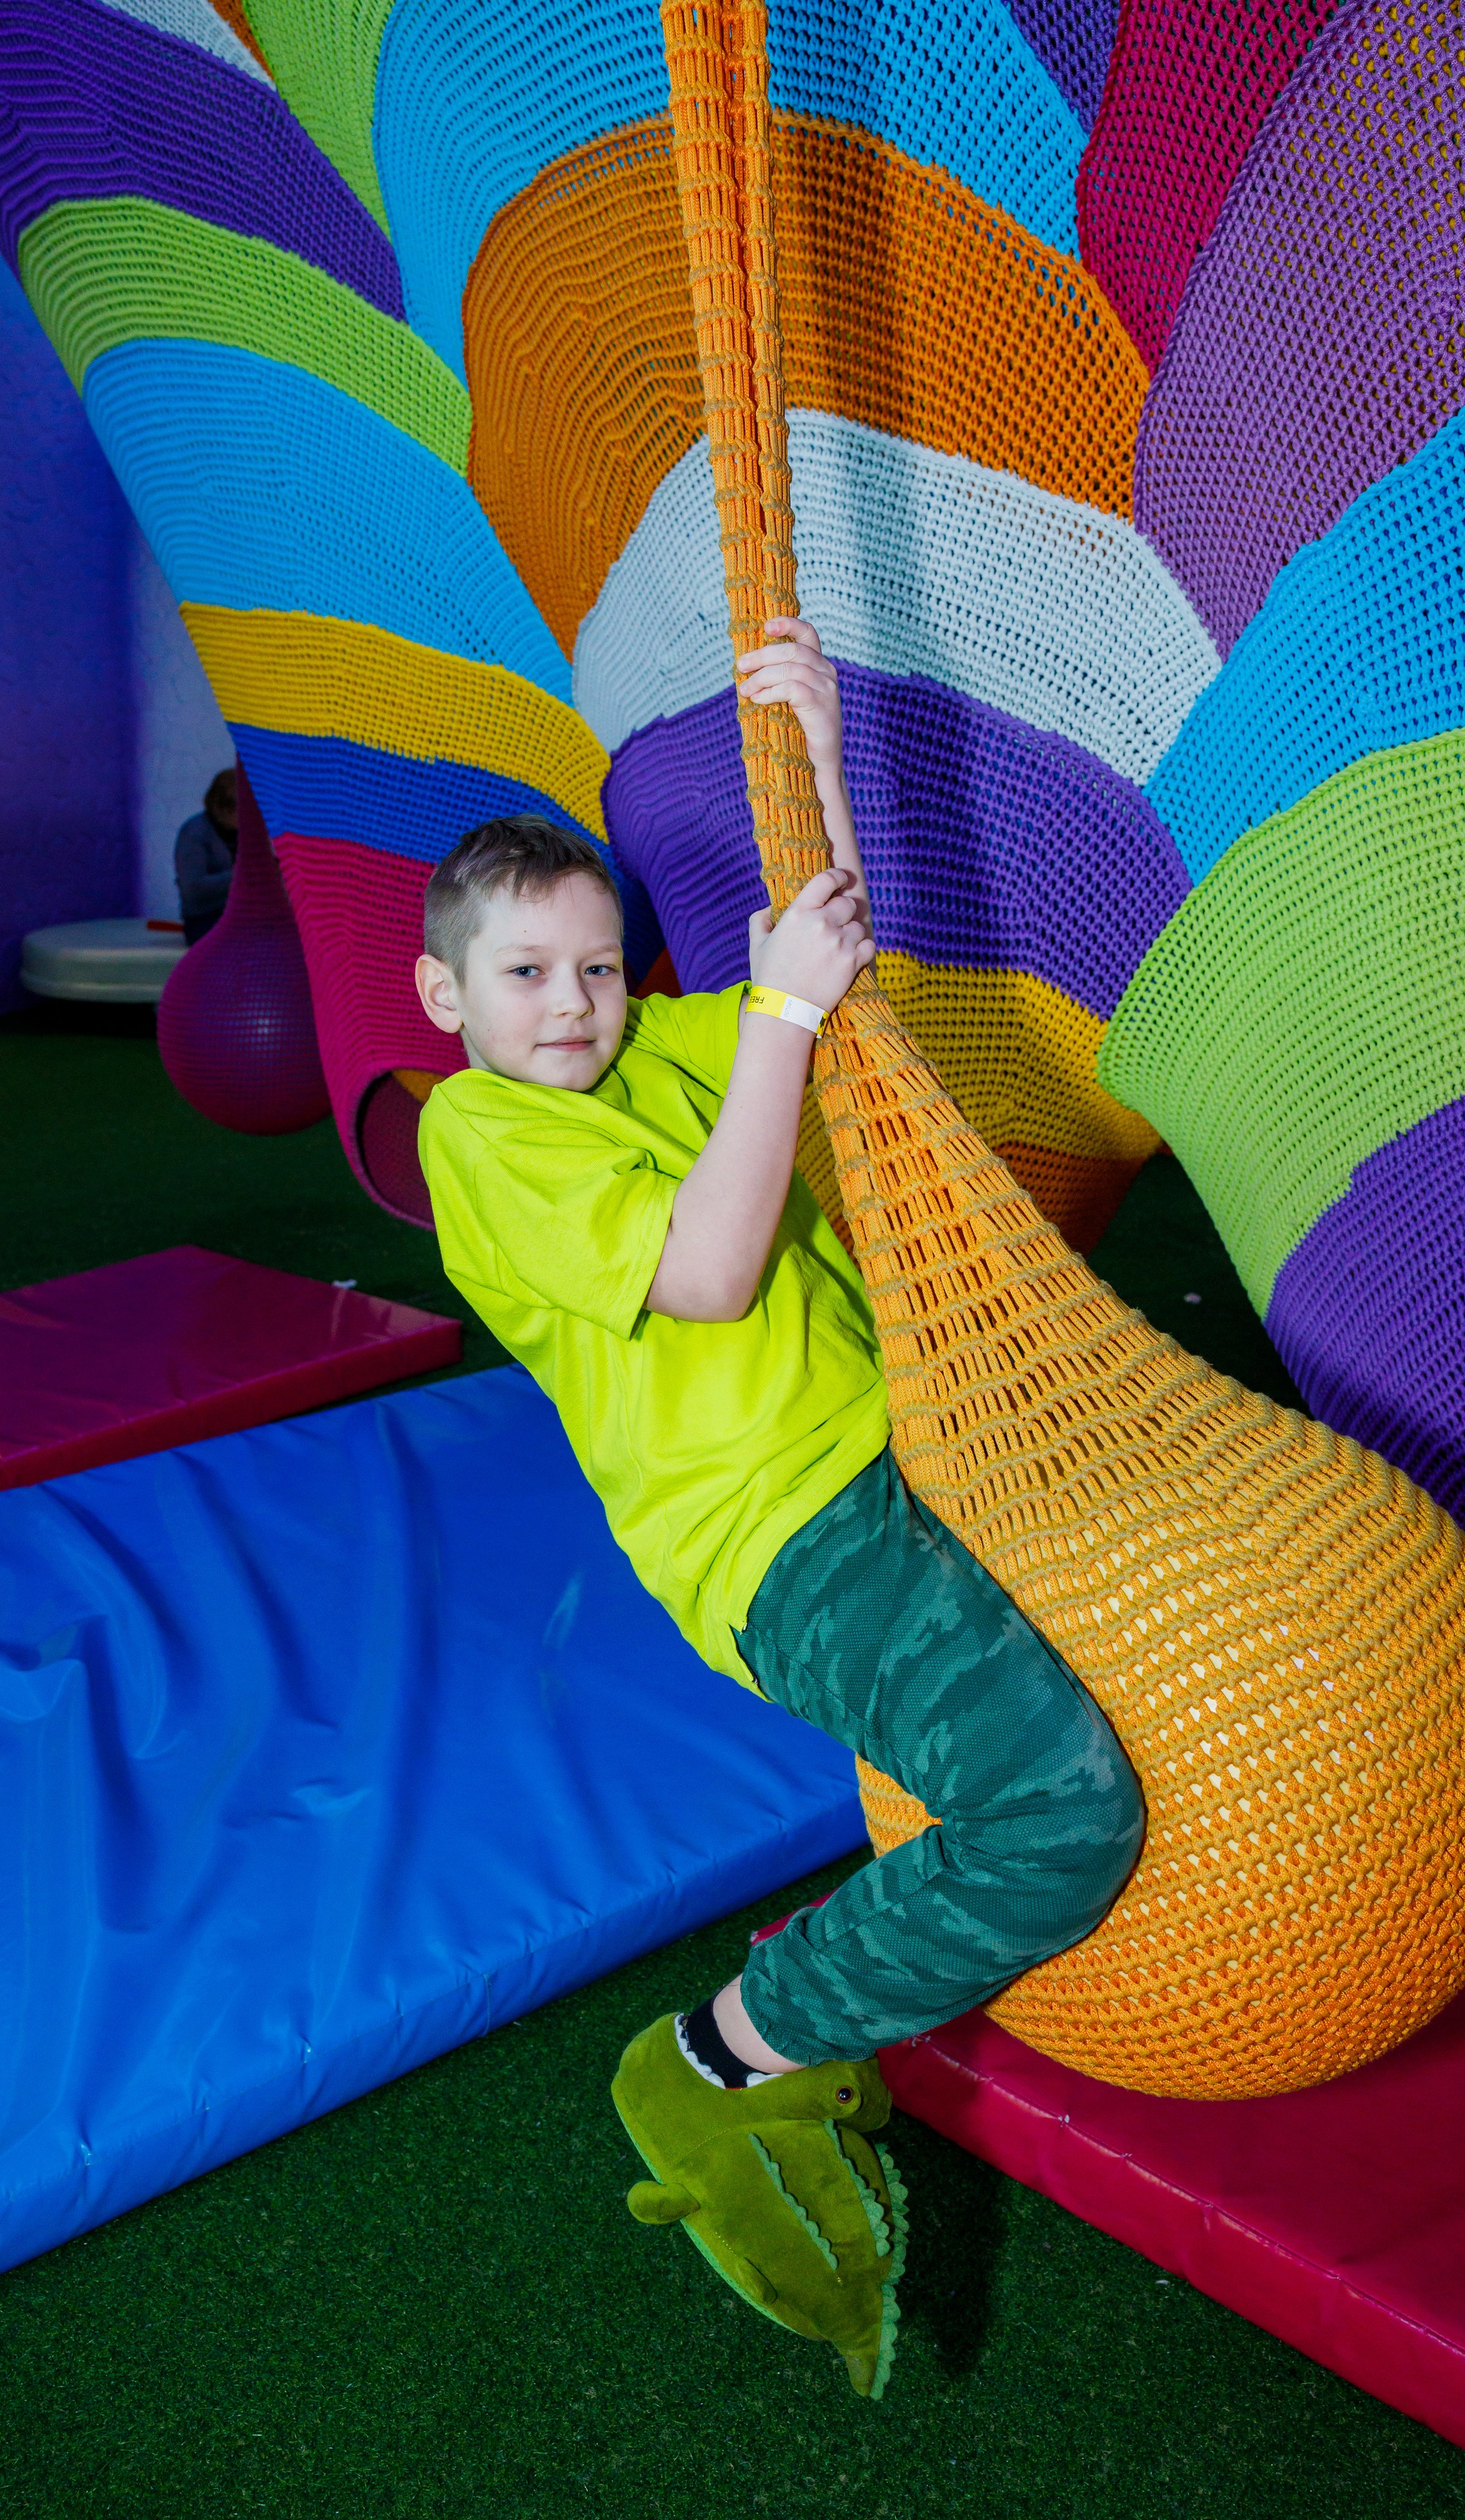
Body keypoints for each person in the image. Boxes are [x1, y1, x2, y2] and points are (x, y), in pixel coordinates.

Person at [412, 621, 1143, 2381]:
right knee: (1058, 1816)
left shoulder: (657, 1048)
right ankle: (731, 2052)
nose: (572, 1006)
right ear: (448, 1000)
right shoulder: (486, 1144)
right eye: (524, 976)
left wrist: (810, 754)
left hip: (912, 1457)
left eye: (596, 967)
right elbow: (716, 1270)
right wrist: (784, 1024)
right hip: (787, 1549)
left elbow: (831, 974)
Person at [174, 766, 238, 945]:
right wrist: (243, 875)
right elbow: (192, 889)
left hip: (244, 914)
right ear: (223, 807)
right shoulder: (195, 833)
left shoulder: (247, 832)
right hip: (205, 918)